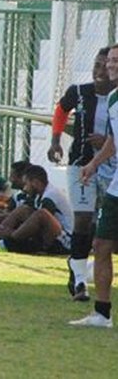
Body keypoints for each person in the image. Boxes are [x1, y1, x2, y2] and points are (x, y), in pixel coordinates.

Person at [49, 47, 116, 301]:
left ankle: (84, 267)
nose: (100, 71)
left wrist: (108, 142)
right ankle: (79, 280)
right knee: (83, 218)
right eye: (97, 65)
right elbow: (61, 110)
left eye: (106, 66)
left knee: (106, 229)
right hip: (81, 164)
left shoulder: (115, 97)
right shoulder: (78, 92)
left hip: (111, 167)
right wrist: (55, 141)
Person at [70, 43, 118, 328]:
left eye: (116, 61)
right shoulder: (112, 99)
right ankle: (102, 313)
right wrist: (93, 164)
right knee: (101, 243)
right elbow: (113, 141)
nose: (111, 65)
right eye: (110, 60)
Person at [0, 165, 73, 255]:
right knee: (23, 209)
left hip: (66, 242)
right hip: (53, 237)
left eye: (26, 184)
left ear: (35, 183)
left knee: (42, 214)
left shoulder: (50, 195)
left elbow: (43, 223)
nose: (24, 188)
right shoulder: (38, 195)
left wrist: (11, 232)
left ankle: (7, 243)